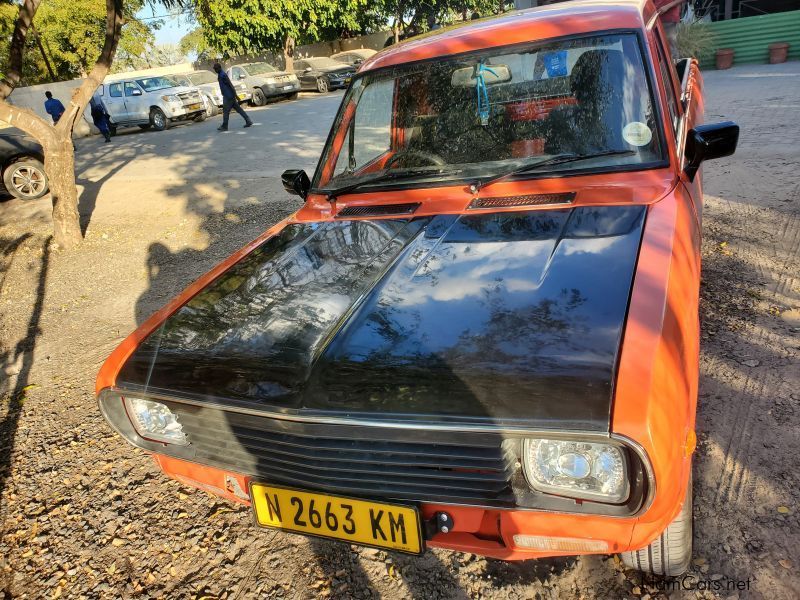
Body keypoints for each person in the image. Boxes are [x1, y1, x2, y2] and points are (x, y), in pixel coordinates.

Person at [214, 63, 253, 131]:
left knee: (226, 111)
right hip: (229, 95)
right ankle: (248, 120)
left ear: (219, 68)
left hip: (228, 96)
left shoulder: (223, 75)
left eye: (216, 69)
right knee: (238, 109)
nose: (215, 70)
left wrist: (236, 95)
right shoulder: (221, 75)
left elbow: (230, 85)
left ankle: (225, 126)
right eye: (214, 69)